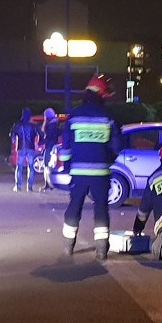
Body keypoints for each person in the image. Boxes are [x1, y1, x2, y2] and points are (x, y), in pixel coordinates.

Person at [59, 74, 123, 260]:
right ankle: (101, 250)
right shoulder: (108, 117)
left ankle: (68, 247)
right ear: (101, 95)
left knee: (74, 206)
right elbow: (117, 146)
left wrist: (67, 167)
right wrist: (107, 158)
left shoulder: (74, 116)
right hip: (101, 172)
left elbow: (66, 147)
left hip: (78, 172)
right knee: (101, 208)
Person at [10, 107, 41, 192]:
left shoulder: (17, 124)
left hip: (21, 148)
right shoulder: (34, 125)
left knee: (19, 167)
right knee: (31, 167)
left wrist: (15, 143)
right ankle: (29, 186)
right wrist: (38, 143)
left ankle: (18, 186)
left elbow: (12, 136)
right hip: (31, 148)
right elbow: (40, 134)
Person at [40, 107, 60, 192]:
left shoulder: (51, 125)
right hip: (53, 146)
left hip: (49, 147)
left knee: (47, 165)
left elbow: (45, 134)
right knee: (49, 166)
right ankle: (49, 184)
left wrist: (42, 142)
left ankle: (48, 184)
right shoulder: (55, 124)